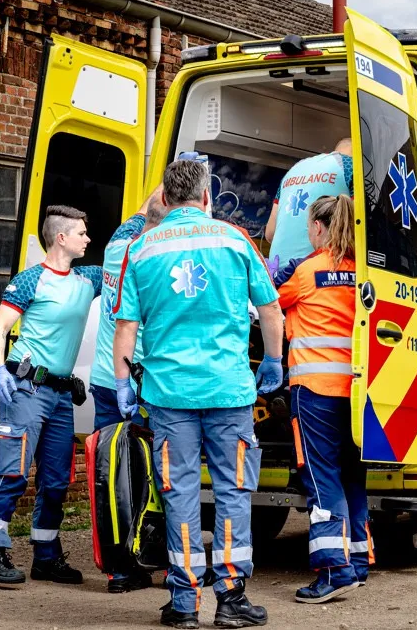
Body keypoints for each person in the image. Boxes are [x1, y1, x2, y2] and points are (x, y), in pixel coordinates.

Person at [113, 159, 284, 629]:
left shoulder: (142, 248)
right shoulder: (234, 240)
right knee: (233, 491)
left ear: (165, 199)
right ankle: (231, 600)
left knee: (179, 492)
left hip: (170, 396)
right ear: (207, 198)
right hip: (229, 392)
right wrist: (273, 361)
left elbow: (126, 324)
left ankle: (184, 603)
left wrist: (123, 382)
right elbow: (270, 310)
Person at [0, 205, 102, 586]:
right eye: (82, 233)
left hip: (60, 394)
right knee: (12, 470)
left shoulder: (88, 279)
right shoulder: (31, 281)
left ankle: (45, 557)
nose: (88, 239)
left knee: (57, 480)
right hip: (25, 387)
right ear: (61, 237)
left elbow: (126, 256)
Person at [274, 194, 374, 603]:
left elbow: (268, 305)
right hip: (355, 394)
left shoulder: (307, 272)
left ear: (318, 227)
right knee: (351, 476)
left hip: (314, 392)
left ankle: (334, 570)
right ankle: (358, 559)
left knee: (321, 478)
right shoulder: (363, 273)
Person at [88, 187, 166, 594]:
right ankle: (163, 561)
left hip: (105, 380)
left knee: (109, 475)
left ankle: (118, 569)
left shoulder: (118, 245)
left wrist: (165, 185)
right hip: (140, 384)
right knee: (154, 476)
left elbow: (142, 212)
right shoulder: (154, 257)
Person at [265, 138, 353, 275]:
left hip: (278, 276)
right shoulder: (350, 167)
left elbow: (270, 233)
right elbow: (361, 227)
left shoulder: (293, 170)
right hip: (319, 275)